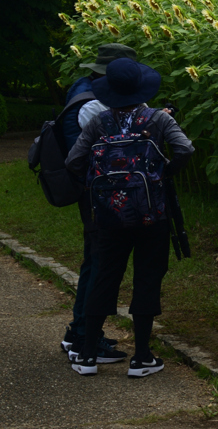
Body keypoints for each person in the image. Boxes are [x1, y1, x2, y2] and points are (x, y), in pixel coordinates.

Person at [66, 58, 195, 376]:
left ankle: (86, 356)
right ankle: (141, 357)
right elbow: (186, 150)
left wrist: (103, 184)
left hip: (109, 217)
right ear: (141, 88)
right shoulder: (157, 120)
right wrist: (163, 174)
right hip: (153, 215)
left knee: (105, 277)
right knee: (147, 278)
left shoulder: (99, 122)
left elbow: (73, 160)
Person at [60, 43, 139, 364]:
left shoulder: (82, 89)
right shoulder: (94, 105)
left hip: (87, 190)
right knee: (100, 264)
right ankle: (84, 337)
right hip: (95, 195)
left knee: (93, 262)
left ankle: (78, 330)